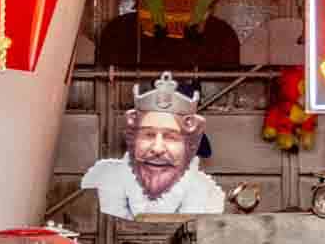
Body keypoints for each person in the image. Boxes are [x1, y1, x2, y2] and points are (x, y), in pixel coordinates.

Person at [81, 72, 227, 218]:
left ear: (190, 147)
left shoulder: (209, 196)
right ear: (134, 140)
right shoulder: (103, 179)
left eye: (171, 137)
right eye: (148, 135)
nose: (157, 149)